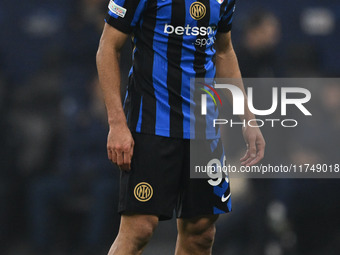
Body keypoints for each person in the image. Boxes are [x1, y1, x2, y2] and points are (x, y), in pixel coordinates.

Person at [96, 0, 265, 254]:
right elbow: (108, 47)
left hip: (204, 131)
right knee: (139, 228)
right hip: (151, 124)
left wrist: (248, 119)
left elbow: (224, 51)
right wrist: (117, 123)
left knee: (201, 232)